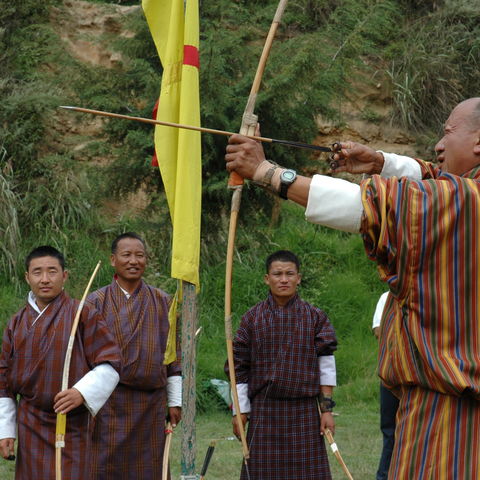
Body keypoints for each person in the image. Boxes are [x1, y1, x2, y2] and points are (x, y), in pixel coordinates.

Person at [225, 97, 480, 479]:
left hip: (450, 415)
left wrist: (267, 171)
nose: (438, 146)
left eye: (447, 133)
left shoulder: (463, 200)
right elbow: (427, 176)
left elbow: (368, 207)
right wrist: (381, 161)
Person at [0, 246, 121, 479]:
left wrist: (81, 392)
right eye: (37, 272)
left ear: (64, 275)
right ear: (27, 277)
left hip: (70, 423)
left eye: (52, 271)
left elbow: (111, 362)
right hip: (30, 423)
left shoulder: (83, 313)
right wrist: (6, 431)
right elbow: (3, 379)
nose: (45, 279)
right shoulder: (16, 323)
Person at [226, 250, 337, 480]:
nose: (283, 279)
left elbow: (325, 363)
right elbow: (239, 369)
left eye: (289, 273)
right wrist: (240, 412)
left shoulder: (315, 317)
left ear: (299, 277)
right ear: (267, 278)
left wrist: (326, 409)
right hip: (264, 412)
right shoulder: (252, 318)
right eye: (277, 274)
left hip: (305, 412)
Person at [87, 232, 182, 480]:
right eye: (126, 255)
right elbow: (83, 356)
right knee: (105, 467)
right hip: (109, 404)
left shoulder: (163, 301)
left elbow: (174, 356)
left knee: (150, 469)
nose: (133, 261)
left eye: (139, 255)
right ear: (112, 260)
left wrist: (175, 400)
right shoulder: (94, 302)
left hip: (150, 406)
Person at [372, 292, 399, 480]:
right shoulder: (387, 297)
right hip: (391, 375)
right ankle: (384, 476)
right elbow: (378, 331)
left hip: (422, 379)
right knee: (390, 431)